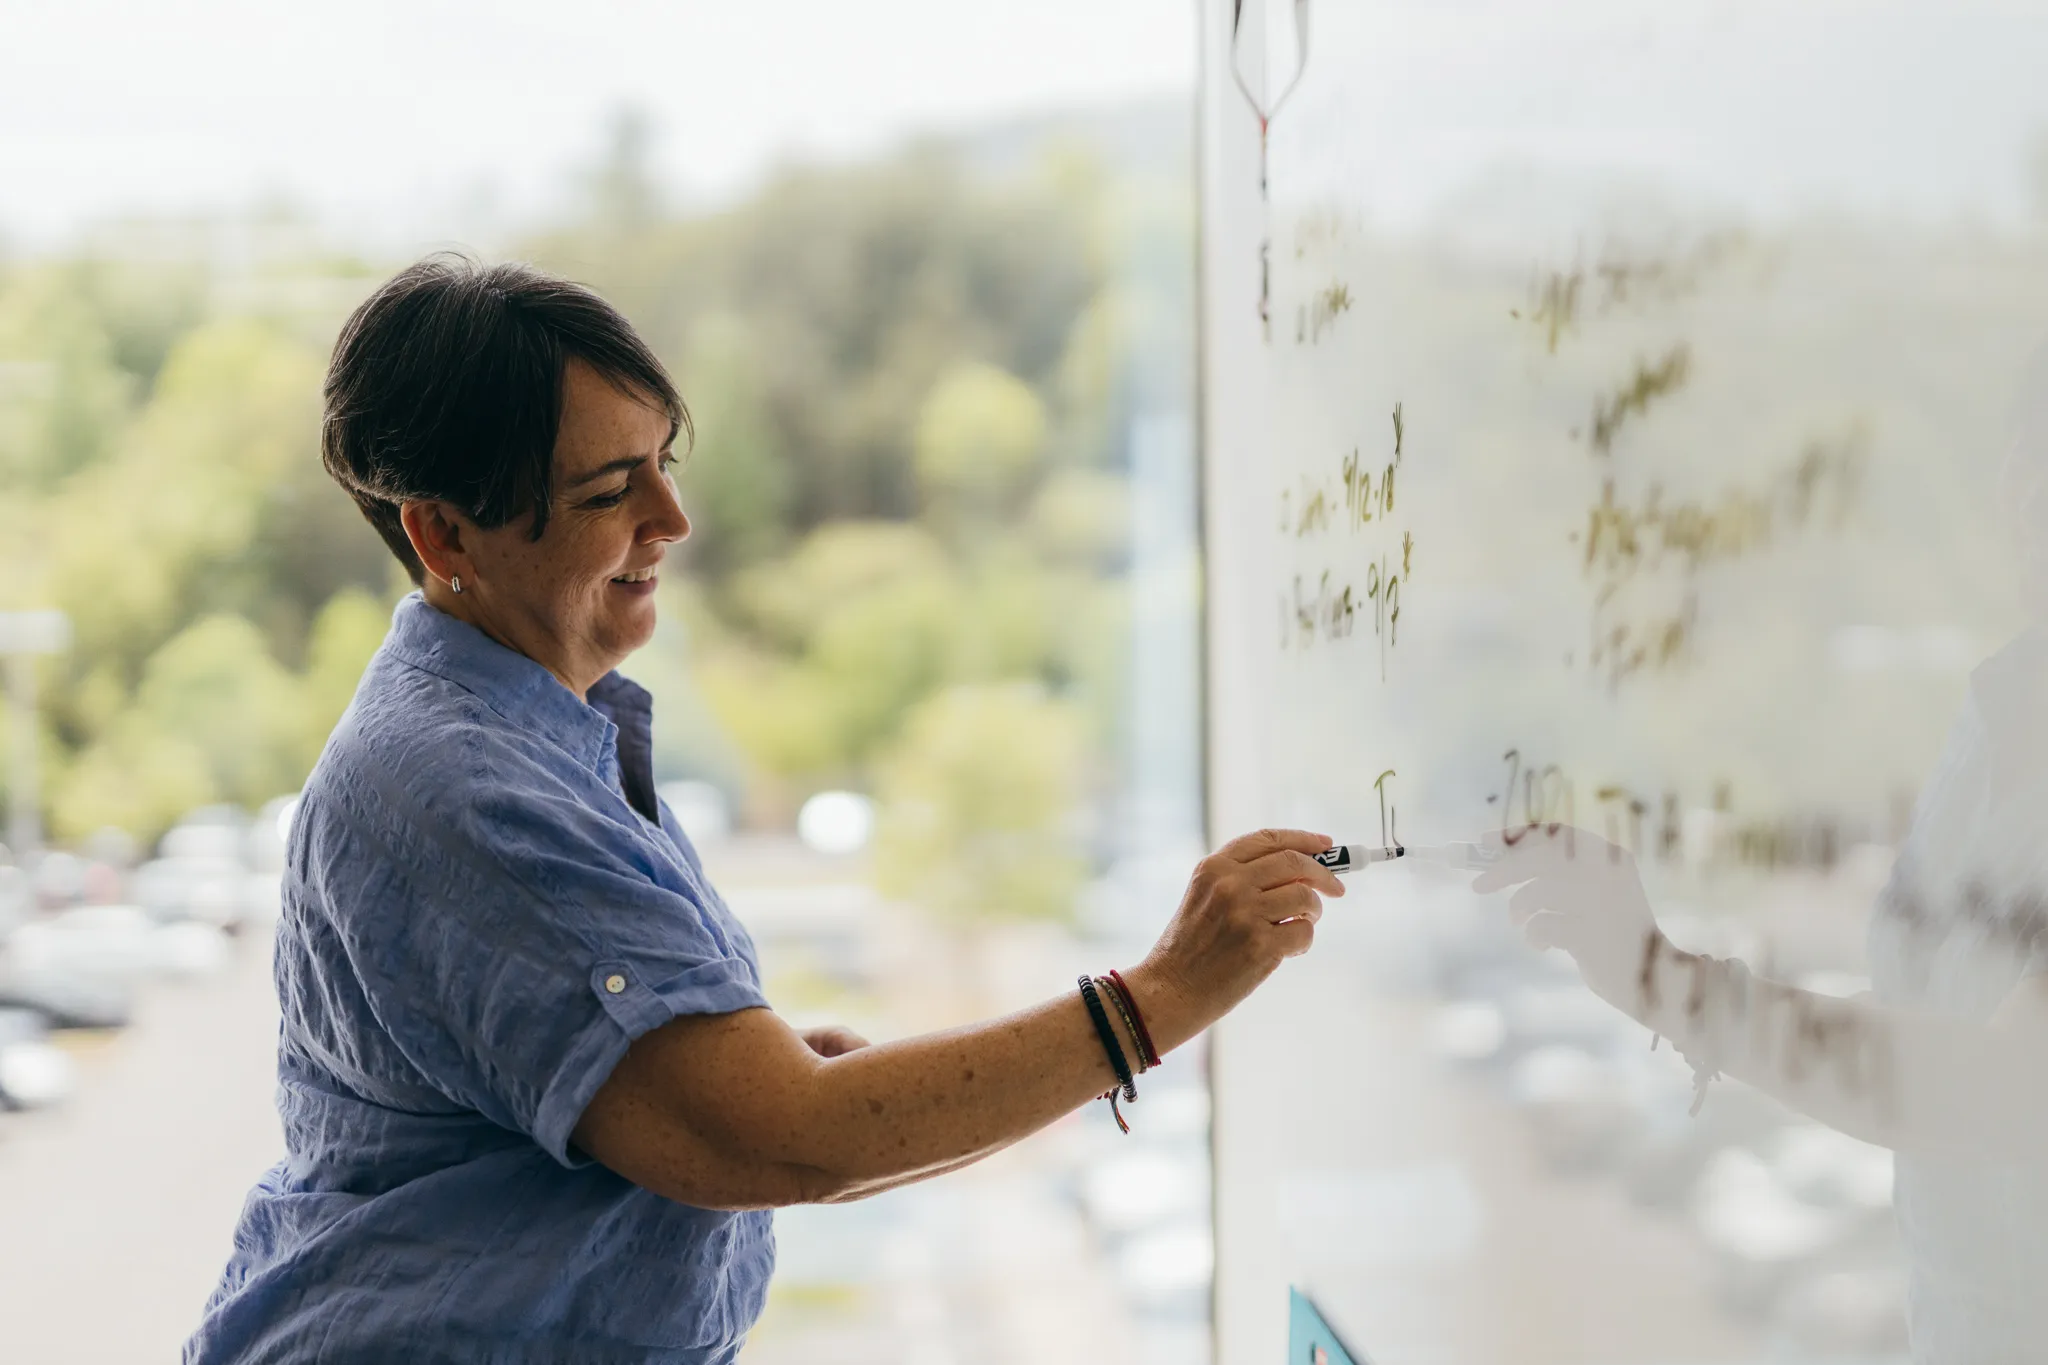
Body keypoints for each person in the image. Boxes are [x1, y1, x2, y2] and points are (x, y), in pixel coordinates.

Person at [182, 254, 1340, 1364]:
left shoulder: (534, 726)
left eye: (662, 460)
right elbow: (786, 1139)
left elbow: (755, 1124)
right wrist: (1167, 993)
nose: (673, 517)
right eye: (606, 488)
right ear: (443, 536)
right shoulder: (466, 789)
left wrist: (756, 1077)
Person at [1476, 344, 2048, 1363]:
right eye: (2027, 436)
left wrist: (1668, 982)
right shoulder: (1996, 715)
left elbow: (1998, 1089)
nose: (2022, 484)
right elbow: (1920, 1020)